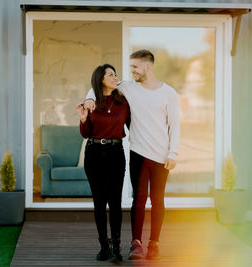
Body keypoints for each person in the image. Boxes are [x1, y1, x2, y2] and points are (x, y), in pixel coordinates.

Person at [83, 50, 180, 260]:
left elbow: (175, 125)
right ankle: (136, 244)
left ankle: (154, 243)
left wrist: (173, 152)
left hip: (161, 155)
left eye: (135, 67)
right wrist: (89, 99)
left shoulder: (169, 93)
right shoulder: (128, 87)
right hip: (137, 152)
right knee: (139, 199)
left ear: (148, 67)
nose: (131, 71)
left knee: (158, 200)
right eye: (131, 67)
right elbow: (97, 87)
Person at [77, 64, 130, 263]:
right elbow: (86, 133)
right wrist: (83, 119)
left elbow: (134, 125)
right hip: (94, 152)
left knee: (115, 202)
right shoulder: (91, 103)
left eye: (115, 74)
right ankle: (103, 247)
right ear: (101, 79)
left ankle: (117, 246)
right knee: (99, 202)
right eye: (110, 74)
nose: (115, 77)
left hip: (116, 152)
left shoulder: (124, 101)